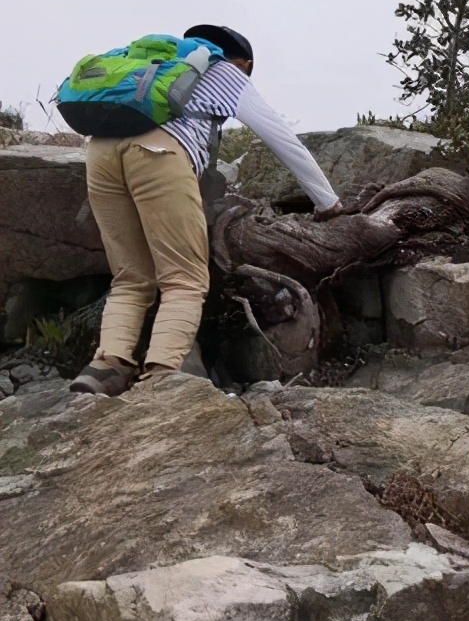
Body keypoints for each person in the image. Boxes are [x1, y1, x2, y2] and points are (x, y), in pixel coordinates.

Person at [69, 25, 342, 396]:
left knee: (131, 277)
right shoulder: (228, 72)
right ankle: (162, 374)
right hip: (159, 154)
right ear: (244, 62)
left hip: (99, 154)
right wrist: (328, 202)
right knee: (184, 279)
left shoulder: (154, 64)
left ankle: (105, 368)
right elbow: (282, 138)